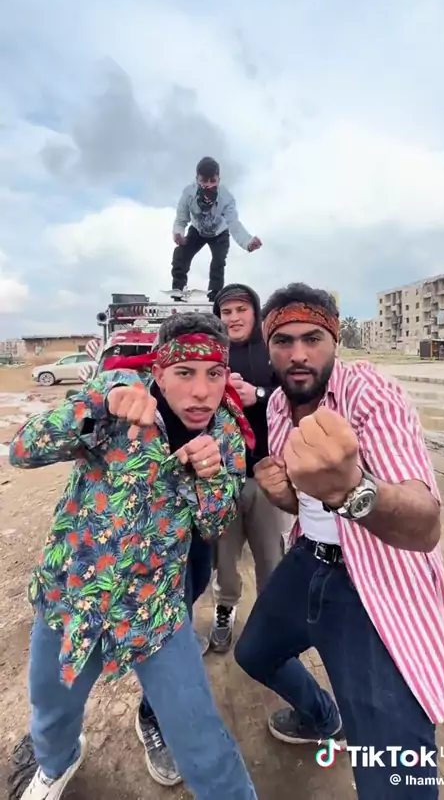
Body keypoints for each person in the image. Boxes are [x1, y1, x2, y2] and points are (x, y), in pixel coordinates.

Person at [9, 312, 258, 800]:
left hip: (153, 609)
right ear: (159, 371)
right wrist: (99, 407)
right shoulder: (117, 395)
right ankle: (57, 763)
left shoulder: (227, 434)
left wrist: (208, 480)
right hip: (71, 594)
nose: (202, 392)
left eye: (214, 374)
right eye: (184, 373)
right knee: (52, 710)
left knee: (200, 739)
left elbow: (215, 525)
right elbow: (23, 449)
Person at [234, 283, 444, 800]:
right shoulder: (277, 407)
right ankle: (321, 716)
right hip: (308, 560)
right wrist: (285, 496)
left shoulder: (369, 394)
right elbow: (306, 505)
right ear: (269, 348)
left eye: (312, 338)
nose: (298, 354)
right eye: (283, 341)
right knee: (254, 654)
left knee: (395, 780)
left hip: (377, 579)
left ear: (334, 339)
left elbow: (425, 525)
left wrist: (352, 491)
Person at [208, 283, 293, 652]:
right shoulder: (212, 354)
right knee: (224, 560)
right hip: (222, 478)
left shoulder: (274, 351)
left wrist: (256, 395)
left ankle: (271, 622)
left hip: (267, 476)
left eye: (241, 309)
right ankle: (224, 609)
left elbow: (297, 396)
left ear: (255, 313)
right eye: (226, 312)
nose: (234, 318)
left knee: (271, 557)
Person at [171, 156, 262, 302]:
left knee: (218, 262)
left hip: (220, 233)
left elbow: (234, 224)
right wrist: (178, 234)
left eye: (212, 181)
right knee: (180, 255)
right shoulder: (188, 194)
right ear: (197, 179)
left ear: (218, 179)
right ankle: (178, 293)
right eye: (203, 181)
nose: (208, 185)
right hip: (197, 231)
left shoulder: (226, 198)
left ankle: (214, 297)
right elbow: (181, 219)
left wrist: (248, 242)